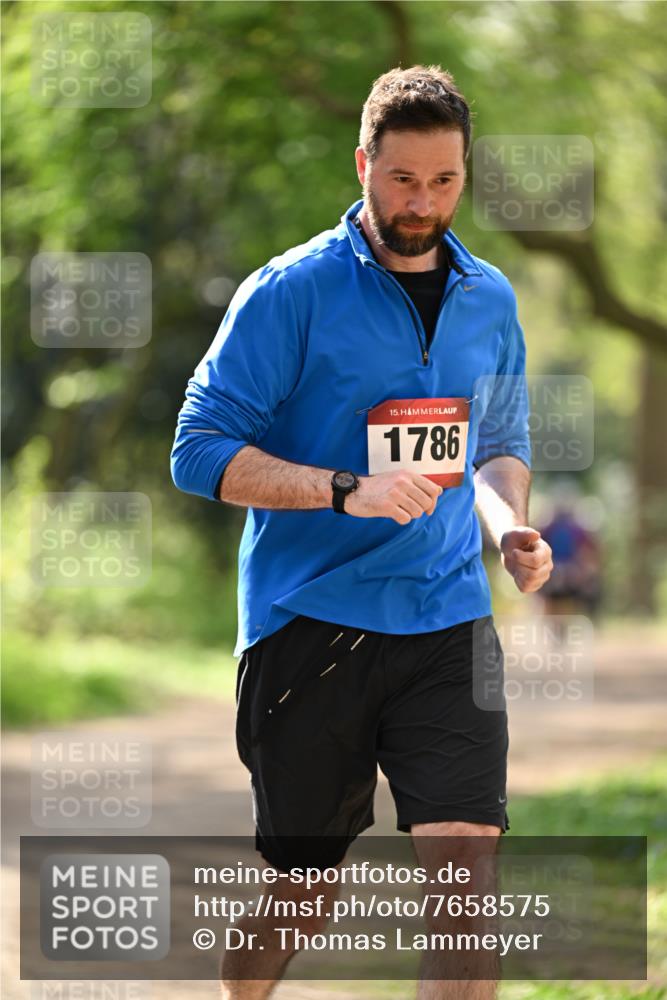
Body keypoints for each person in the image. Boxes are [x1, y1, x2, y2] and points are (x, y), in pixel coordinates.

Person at [171, 64, 553, 1000]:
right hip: (310, 624)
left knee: (466, 883)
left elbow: (496, 444)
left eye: (444, 181)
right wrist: (346, 490)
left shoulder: (490, 298)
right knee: (302, 892)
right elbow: (197, 450)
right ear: (362, 166)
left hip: (446, 619)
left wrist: (508, 526)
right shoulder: (290, 292)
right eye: (402, 179)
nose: (422, 204)